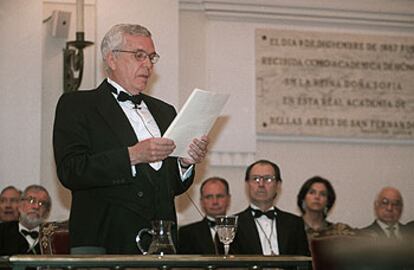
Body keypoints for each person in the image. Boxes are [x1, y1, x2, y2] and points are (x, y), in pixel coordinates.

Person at [53, 23, 209, 254]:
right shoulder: (78, 105)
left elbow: (170, 187)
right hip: (105, 242)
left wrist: (184, 163)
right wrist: (132, 156)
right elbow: (71, 170)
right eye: (139, 56)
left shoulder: (165, 111)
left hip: (161, 244)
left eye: (151, 57)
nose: (147, 65)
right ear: (111, 59)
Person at [230, 160, 309, 255]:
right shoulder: (232, 224)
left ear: (278, 185)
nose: (261, 184)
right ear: (247, 184)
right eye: (255, 179)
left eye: (268, 179)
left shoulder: (295, 223)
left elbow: (305, 262)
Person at [178, 177, 231, 254]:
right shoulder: (186, 233)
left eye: (219, 196)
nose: (215, 202)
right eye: (208, 197)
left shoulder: (241, 231)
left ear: (228, 199)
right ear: (201, 201)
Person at [297, 176, 355, 241]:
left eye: (322, 194)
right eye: (312, 193)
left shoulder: (337, 231)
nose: (317, 197)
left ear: (328, 202)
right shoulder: (292, 229)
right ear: (303, 199)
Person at [0, 184, 51, 255]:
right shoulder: (2, 231)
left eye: (41, 203)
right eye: (31, 200)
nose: (36, 206)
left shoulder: (52, 236)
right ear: (20, 205)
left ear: (46, 212)